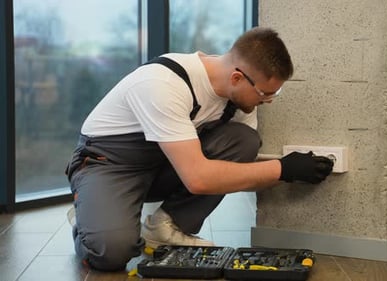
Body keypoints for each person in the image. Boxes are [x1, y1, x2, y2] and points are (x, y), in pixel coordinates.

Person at [65, 26, 333, 271]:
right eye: (265, 94)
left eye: (275, 94)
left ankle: (165, 228)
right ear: (238, 78)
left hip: (168, 164)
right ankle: (89, 217)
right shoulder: (163, 84)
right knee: (112, 252)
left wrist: (289, 170)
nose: (269, 101)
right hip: (111, 164)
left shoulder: (237, 100)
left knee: (244, 141)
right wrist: (280, 169)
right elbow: (199, 178)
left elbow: (239, 171)